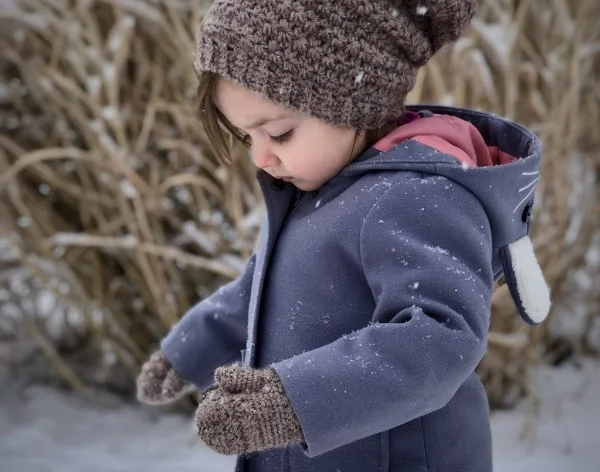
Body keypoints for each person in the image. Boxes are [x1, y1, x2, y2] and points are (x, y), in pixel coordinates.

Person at [136, 1, 551, 471]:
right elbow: (266, 290)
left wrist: (290, 404)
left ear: (355, 102)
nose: (260, 158)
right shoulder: (322, 188)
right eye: (246, 138)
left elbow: (440, 336)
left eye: (279, 133)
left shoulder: (414, 197)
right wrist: (192, 346)